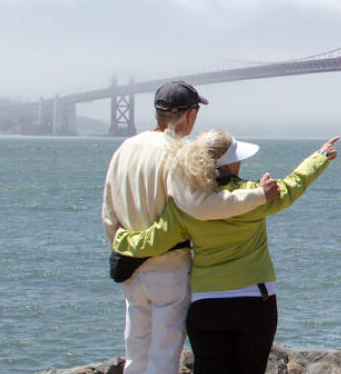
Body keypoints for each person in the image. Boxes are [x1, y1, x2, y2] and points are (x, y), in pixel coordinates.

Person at [113, 130, 339, 374]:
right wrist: (321, 156)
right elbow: (296, 183)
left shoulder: (185, 203)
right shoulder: (256, 195)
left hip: (206, 304)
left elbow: (153, 242)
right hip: (255, 300)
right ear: (230, 163)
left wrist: (120, 239)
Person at [101, 81, 283, 374]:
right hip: (169, 266)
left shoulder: (125, 148)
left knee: (136, 351)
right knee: (164, 354)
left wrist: (121, 249)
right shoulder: (180, 152)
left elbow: (109, 210)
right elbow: (200, 206)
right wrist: (259, 196)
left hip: (131, 266)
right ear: (190, 115)